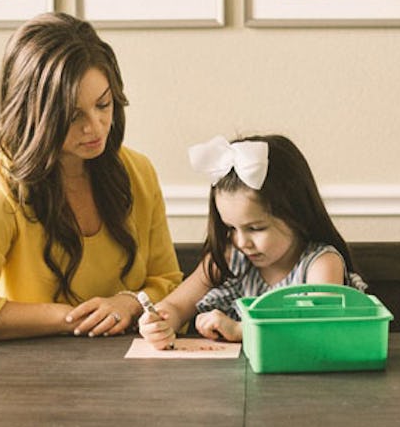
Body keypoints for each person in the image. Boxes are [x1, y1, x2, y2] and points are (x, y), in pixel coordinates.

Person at [0, 12, 182, 344]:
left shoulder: (138, 172)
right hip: (28, 381)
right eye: (73, 116)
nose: (94, 127)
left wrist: (129, 303)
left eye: (103, 105)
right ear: (35, 113)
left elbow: (168, 283)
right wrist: (69, 318)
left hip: (127, 376)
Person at [138, 134, 366, 349]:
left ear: (295, 214)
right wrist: (161, 321)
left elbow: (317, 331)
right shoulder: (229, 256)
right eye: (230, 228)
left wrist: (241, 330)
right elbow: (177, 305)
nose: (241, 241)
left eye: (255, 228)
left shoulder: (320, 264)